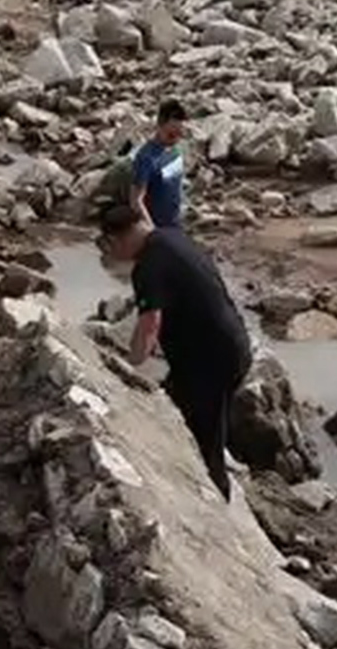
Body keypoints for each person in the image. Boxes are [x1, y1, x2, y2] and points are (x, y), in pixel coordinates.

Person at [98, 203, 253, 499]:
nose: (112, 257)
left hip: (211, 363)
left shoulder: (148, 267)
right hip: (228, 345)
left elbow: (149, 325)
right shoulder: (173, 237)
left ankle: (215, 509)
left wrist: (126, 368)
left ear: (117, 239)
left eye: (108, 248)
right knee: (172, 411)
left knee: (205, 440)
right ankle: (183, 484)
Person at [130, 99, 190, 229]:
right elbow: (136, 201)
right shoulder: (146, 158)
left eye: (180, 133)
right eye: (171, 134)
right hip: (156, 227)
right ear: (159, 125)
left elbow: (177, 182)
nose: (176, 138)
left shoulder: (176, 150)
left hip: (176, 224)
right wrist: (152, 230)